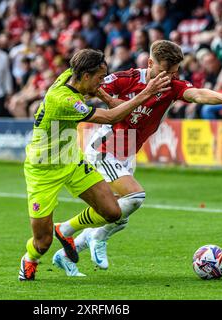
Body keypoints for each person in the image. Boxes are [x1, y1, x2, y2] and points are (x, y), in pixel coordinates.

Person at [51, 40, 222, 276]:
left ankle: (64, 255)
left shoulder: (172, 86)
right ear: (150, 63)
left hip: (126, 153)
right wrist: (111, 102)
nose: (170, 76)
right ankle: (82, 233)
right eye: (166, 71)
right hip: (105, 148)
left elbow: (196, 94)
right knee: (135, 197)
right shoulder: (128, 78)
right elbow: (96, 87)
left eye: (175, 72)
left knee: (119, 216)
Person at [18, 48, 171, 281]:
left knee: (112, 212)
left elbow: (91, 80)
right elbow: (111, 118)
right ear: (86, 76)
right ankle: (29, 260)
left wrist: (108, 97)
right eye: (100, 78)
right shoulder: (64, 100)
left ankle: (65, 229)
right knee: (42, 242)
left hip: (72, 161)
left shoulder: (73, 75)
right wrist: (145, 93)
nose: (103, 82)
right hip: (43, 169)